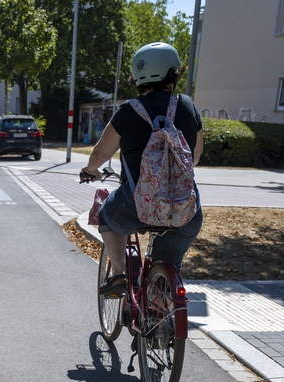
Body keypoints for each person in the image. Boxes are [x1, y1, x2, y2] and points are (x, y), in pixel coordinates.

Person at [79, 42, 203, 296]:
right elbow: (196, 155)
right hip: (185, 211)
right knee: (167, 267)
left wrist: (90, 169)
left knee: (105, 214)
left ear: (137, 77)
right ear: (173, 72)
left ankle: (119, 276)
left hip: (136, 206)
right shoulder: (189, 107)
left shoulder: (128, 111)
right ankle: (161, 321)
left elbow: (101, 154)